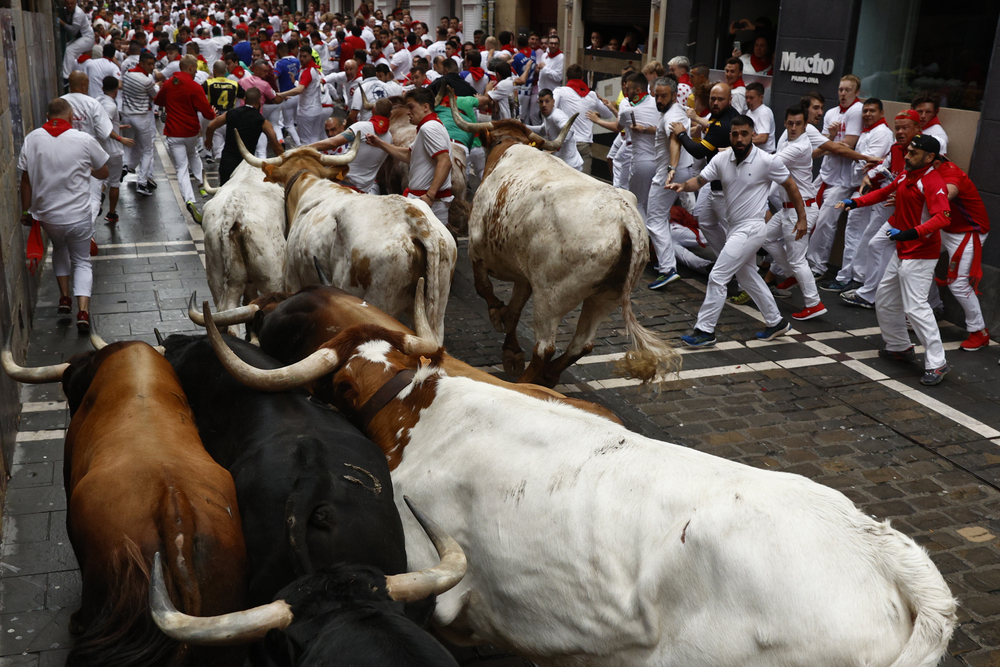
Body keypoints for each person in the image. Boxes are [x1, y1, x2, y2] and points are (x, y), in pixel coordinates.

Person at [669, 115, 805, 347]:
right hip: (734, 227)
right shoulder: (722, 159)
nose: (739, 138)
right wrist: (683, 186)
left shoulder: (766, 160)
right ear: (730, 136)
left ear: (753, 135)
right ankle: (776, 322)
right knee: (747, 276)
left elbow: (791, 186)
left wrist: (802, 218)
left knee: (718, 276)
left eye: (744, 134)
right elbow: (699, 180)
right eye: (735, 134)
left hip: (752, 228)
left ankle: (705, 330)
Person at [837, 135, 952, 386]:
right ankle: (899, 346)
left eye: (913, 153)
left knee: (916, 307)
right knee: (886, 300)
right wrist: (855, 202)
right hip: (903, 249)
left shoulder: (932, 182)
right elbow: (883, 193)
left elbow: (943, 218)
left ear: (929, 157)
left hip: (921, 254)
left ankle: (937, 362)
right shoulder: (905, 176)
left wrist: (912, 233)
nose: (907, 156)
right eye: (908, 151)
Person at [19, 98, 109, 332]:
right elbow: (103, 172)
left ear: (48, 116)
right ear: (70, 117)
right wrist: (87, 168)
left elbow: (25, 180)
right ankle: (82, 310)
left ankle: (64, 298)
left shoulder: (32, 139)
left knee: (59, 250)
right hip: (78, 215)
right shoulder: (84, 139)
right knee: (81, 261)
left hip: (48, 216)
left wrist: (26, 211)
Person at [840, 109, 922, 309]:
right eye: (898, 128)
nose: (900, 132)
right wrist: (869, 178)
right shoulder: (895, 149)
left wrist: (905, 196)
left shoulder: (925, 154)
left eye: (905, 128)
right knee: (876, 244)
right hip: (894, 211)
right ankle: (869, 292)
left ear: (918, 129)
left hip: (920, 217)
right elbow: (884, 170)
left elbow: (932, 186)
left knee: (916, 261)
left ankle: (930, 305)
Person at [761, 105, 825, 320]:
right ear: (786, 123)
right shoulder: (789, 141)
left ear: (806, 125)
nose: (794, 127)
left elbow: (771, 163)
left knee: (799, 261)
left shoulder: (798, 146)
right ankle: (794, 274)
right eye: (790, 124)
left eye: (798, 124)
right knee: (766, 238)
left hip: (801, 210)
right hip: (789, 210)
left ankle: (814, 304)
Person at [645, 76, 708, 289]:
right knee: (661, 217)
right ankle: (667, 263)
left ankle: (667, 269)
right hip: (680, 171)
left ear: (673, 95)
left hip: (670, 173)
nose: (659, 99)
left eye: (664, 96)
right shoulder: (676, 111)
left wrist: (671, 168)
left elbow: (675, 142)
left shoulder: (672, 115)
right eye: (657, 95)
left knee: (653, 220)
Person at [827, 98, 894, 290]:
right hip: (862, 190)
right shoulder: (868, 132)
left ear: (882, 113)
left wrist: (854, 158)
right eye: (865, 111)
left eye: (872, 111)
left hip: (872, 191)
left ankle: (854, 278)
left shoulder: (882, 133)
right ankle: (849, 276)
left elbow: (867, 167)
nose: (867, 114)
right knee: (855, 234)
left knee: (860, 235)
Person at [365, 87, 452, 226]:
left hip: (427, 202)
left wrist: (430, 195)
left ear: (425, 107)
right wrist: (380, 143)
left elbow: (445, 161)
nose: (407, 112)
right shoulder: (430, 126)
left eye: (411, 107)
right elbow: (409, 155)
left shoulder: (429, 128)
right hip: (424, 200)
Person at [930, 156, 991, 351]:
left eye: (914, 153)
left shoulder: (950, 173)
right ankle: (925, 309)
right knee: (916, 259)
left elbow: (946, 194)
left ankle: (979, 331)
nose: (908, 157)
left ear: (933, 158)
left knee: (958, 284)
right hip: (946, 226)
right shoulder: (923, 169)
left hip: (967, 232)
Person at [808, 75, 863, 279]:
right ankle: (800, 260)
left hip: (843, 181)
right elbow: (820, 144)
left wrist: (830, 144)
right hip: (825, 174)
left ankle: (817, 266)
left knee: (824, 221)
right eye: (840, 89)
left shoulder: (857, 110)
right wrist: (830, 143)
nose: (842, 93)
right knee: (804, 210)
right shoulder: (831, 112)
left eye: (847, 90)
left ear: (856, 92)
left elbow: (848, 145)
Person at [154, 55, 216, 223]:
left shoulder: (168, 84)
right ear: (190, 68)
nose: (196, 71)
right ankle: (201, 184)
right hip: (190, 132)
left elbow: (158, 100)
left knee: (181, 168)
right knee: (194, 153)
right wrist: (213, 113)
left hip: (174, 132)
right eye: (195, 68)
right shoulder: (194, 86)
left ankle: (189, 199)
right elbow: (207, 112)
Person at [309, 97, 391, 193]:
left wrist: (305, 148)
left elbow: (333, 143)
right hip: (365, 190)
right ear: (390, 114)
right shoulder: (390, 138)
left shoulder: (360, 127)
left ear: (373, 110)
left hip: (343, 185)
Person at [205, 87, 283, 184]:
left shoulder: (231, 113)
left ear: (245, 99)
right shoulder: (262, 121)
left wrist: (209, 140)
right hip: (246, 165)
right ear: (260, 101)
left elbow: (210, 126)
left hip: (227, 162)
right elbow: (276, 146)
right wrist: (286, 161)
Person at [553, 64, 612, 175]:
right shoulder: (592, 95)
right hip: (583, 145)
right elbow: (608, 114)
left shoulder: (560, 91)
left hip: (566, 144)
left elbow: (551, 109)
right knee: (585, 183)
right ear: (582, 78)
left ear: (567, 78)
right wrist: (598, 107)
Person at [618, 72, 659, 218]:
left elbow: (617, 127)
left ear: (636, 90)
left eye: (628, 89)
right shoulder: (659, 105)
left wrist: (597, 121)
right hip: (661, 163)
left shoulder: (628, 111)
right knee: (655, 207)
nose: (625, 92)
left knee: (638, 203)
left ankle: (643, 239)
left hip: (641, 163)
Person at [121, 51, 158, 195]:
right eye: (149, 64)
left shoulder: (127, 74)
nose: (151, 67)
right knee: (147, 150)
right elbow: (155, 95)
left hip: (126, 116)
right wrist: (157, 87)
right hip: (141, 117)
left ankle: (124, 166)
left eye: (153, 64)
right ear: (141, 63)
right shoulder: (146, 80)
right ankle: (142, 183)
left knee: (128, 145)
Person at [280, 45, 329, 144]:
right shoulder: (313, 70)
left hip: (306, 112)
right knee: (315, 139)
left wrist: (281, 94)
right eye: (300, 56)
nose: (302, 59)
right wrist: (295, 82)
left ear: (310, 56)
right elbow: (308, 88)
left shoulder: (307, 71)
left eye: (304, 56)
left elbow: (300, 90)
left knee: (305, 141)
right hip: (317, 110)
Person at [96, 76, 126, 224]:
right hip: (113, 151)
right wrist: (121, 138)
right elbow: (104, 127)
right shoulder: (111, 106)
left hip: (99, 150)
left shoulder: (97, 100)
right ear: (116, 89)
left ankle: (99, 198)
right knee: (114, 182)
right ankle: (112, 213)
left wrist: (118, 127)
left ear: (103, 88)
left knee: (102, 180)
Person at [527, 89, 582, 170]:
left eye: (547, 101)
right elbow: (542, 130)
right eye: (541, 102)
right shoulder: (547, 116)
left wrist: (556, 146)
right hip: (560, 164)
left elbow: (570, 130)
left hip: (571, 165)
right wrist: (523, 126)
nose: (544, 105)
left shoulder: (556, 115)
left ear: (553, 102)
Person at [205, 60, 246, 160]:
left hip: (216, 118)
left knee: (218, 151)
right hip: (230, 118)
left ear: (214, 71)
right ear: (225, 70)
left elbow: (199, 97)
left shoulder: (208, 83)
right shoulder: (234, 84)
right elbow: (245, 97)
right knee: (231, 148)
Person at [61, 0, 95, 80]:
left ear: (75, 3)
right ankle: (69, 71)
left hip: (87, 38)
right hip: (80, 37)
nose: (69, 5)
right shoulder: (68, 11)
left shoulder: (78, 13)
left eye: (72, 3)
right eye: (68, 3)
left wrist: (61, 23)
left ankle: (67, 76)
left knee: (70, 50)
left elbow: (73, 30)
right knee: (66, 47)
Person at [911, 90, 949, 155]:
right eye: (920, 111)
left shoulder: (939, 135)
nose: (923, 116)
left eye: (928, 112)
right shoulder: (907, 127)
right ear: (912, 110)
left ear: (934, 113)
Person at [744, 82, 774, 153]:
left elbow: (763, 138)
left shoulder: (764, 112)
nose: (748, 100)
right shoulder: (749, 112)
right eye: (746, 98)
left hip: (765, 154)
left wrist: (744, 141)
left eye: (751, 98)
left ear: (761, 97)